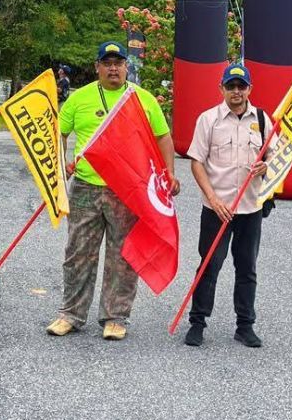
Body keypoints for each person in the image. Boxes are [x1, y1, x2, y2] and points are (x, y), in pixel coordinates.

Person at [47, 41, 179, 342]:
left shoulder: (142, 99)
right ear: (97, 67)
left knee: (122, 256)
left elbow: (163, 137)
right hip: (86, 187)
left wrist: (168, 173)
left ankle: (115, 317)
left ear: (126, 67)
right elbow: (59, 133)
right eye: (107, 63)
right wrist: (60, 163)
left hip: (127, 189)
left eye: (118, 63)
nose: (113, 68)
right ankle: (70, 314)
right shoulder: (79, 98)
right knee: (78, 253)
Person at [183, 61, 273, 349]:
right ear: (221, 88)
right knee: (209, 266)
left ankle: (245, 326)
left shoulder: (263, 120)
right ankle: (197, 323)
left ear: (249, 89)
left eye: (241, 86)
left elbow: (275, 158)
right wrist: (213, 199)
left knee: (247, 268)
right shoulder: (208, 120)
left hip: (250, 208)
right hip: (217, 208)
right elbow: (197, 162)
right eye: (231, 86)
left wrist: (266, 166)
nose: (236, 91)